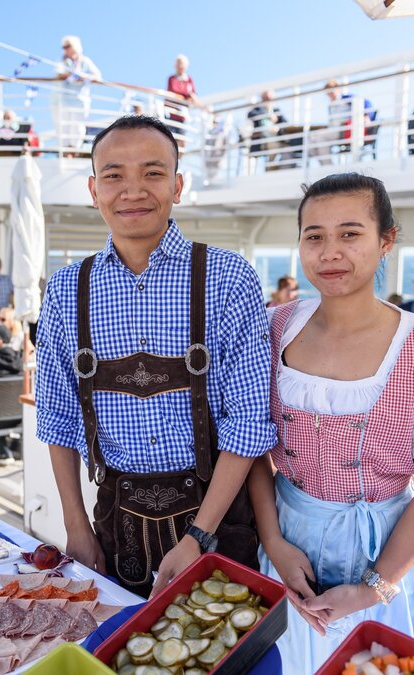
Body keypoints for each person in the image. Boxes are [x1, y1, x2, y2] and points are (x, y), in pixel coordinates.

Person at [248, 173, 414, 673]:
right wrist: (273, 543)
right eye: (314, 236)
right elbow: (253, 450)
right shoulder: (273, 329)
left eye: (350, 233)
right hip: (287, 542)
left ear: (386, 240)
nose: (330, 252)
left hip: (387, 554)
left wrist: (374, 587)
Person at [36, 115, 276, 598]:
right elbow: (57, 417)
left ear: (177, 185)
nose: (133, 190)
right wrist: (76, 526)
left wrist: (198, 536)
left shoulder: (228, 278)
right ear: (94, 190)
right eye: (114, 175)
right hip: (114, 522)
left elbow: (248, 423)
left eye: (152, 172)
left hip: (219, 521)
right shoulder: (66, 290)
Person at [55, 35, 101, 155]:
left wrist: (83, 76)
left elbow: (97, 76)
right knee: (64, 125)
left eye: (67, 46)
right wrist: (71, 75)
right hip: (64, 99)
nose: (65, 49)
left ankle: (74, 151)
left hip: (80, 99)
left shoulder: (85, 61)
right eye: (63, 47)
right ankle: (66, 152)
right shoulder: (62, 61)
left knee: (77, 126)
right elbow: (58, 74)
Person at [317, 80, 374, 164]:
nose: (330, 94)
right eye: (328, 93)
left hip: (345, 130)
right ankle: (325, 165)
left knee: (319, 137)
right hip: (334, 130)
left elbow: (366, 103)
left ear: (338, 89)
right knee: (311, 140)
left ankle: (328, 166)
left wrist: (366, 116)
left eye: (331, 91)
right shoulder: (331, 105)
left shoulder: (346, 98)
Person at [165, 54, 197, 146]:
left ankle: (180, 154)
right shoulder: (172, 78)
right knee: (171, 139)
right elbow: (173, 92)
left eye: (182, 64)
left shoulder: (189, 79)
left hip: (183, 114)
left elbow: (193, 95)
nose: (180, 66)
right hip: (172, 112)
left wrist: (189, 97)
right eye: (178, 64)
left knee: (182, 140)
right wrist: (185, 96)